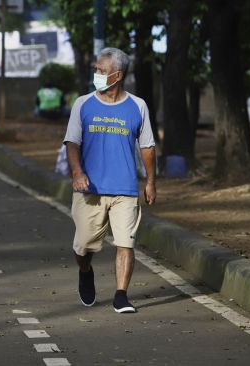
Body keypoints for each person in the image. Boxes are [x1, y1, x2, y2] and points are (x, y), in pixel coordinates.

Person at [63, 47, 157, 313]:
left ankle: (121, 295)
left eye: (101, 71)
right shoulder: (83, 103)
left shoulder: (137, 106)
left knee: (125, 243)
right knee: (83, 245)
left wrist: (150, 182)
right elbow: (72, 143)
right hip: (89, 189)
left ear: (117, 75)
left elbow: (148, 147)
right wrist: (77, 172)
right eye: (96, 69)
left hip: (125, 188)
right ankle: (85, 270)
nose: (97, 74)